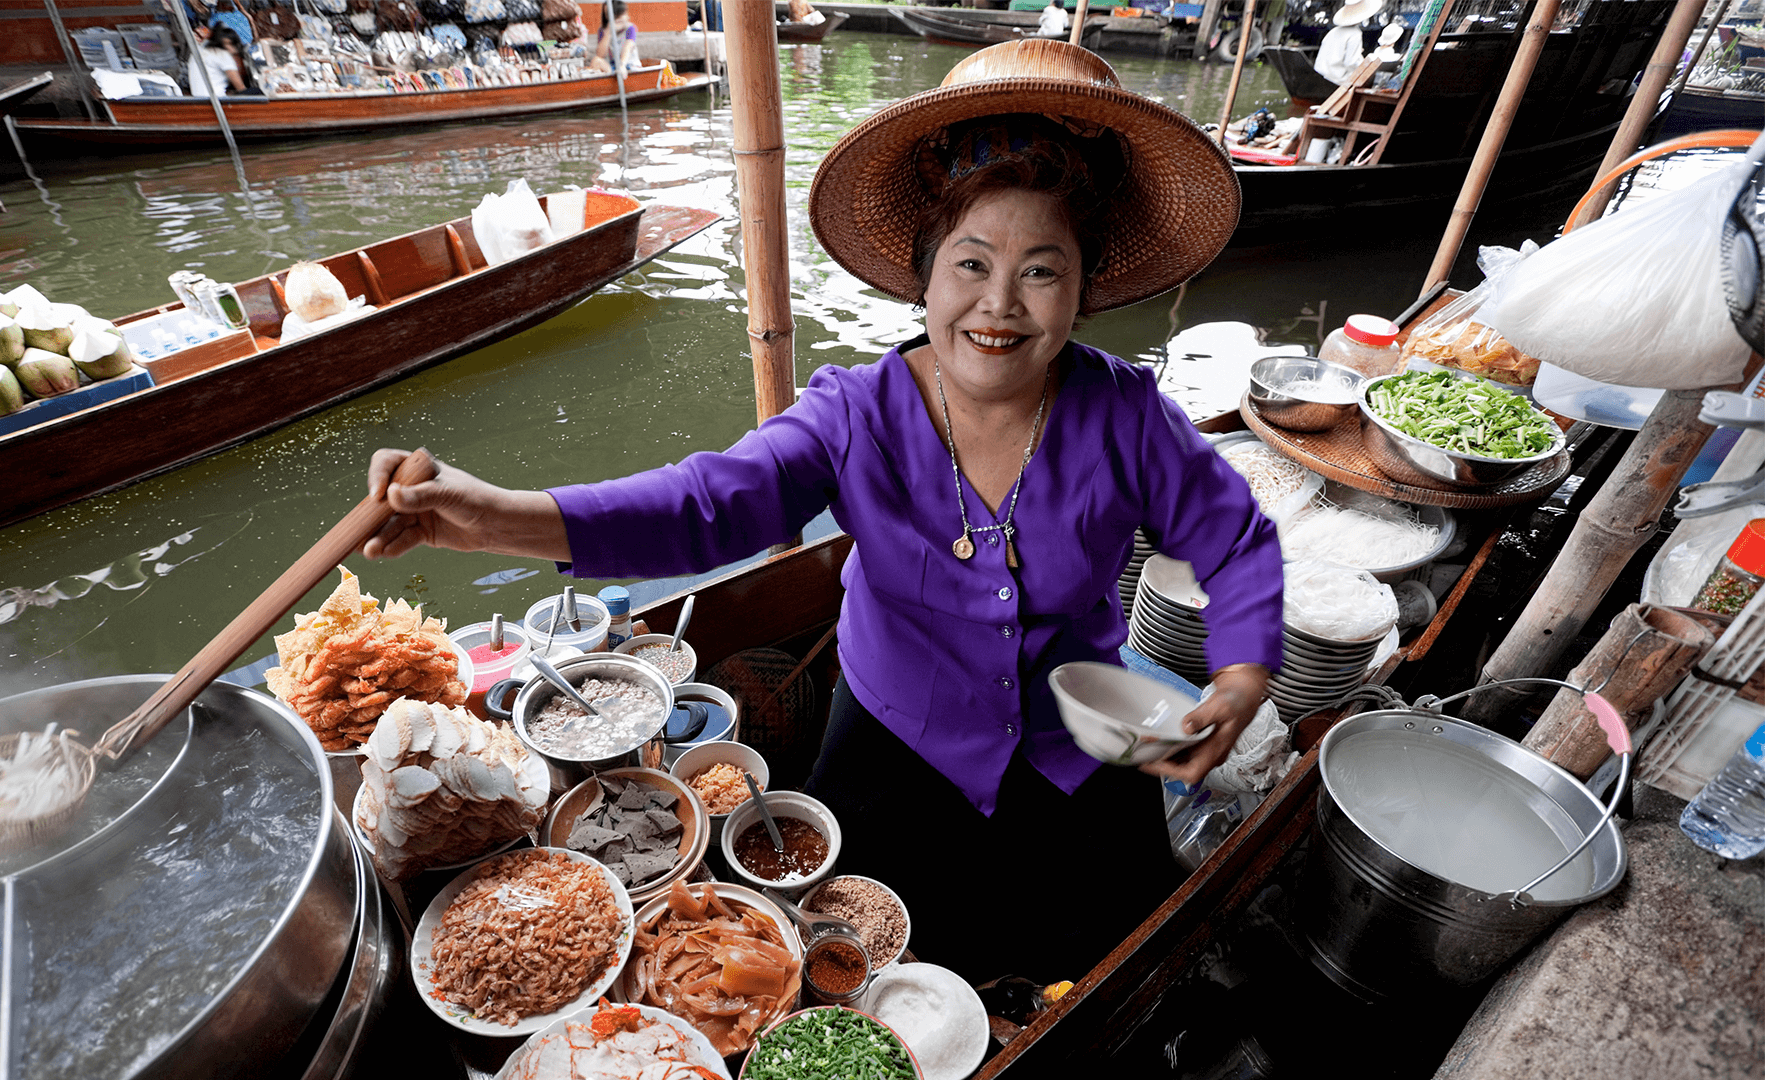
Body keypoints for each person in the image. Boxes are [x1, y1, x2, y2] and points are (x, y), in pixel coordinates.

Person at [361, 40, 1280, 984]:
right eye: (971, 263)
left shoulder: (1125, 412)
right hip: (897, 743)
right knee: (868, 970)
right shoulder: (856, 411)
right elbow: (704, 507)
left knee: (1102, 958)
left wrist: (1241, 680)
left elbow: (1238, 541)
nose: (999, 305)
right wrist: (492, 517)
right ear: (923, 277)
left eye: (1043, 270)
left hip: (1077, 745)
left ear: (1083, 287)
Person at [1313, 0, 1383, 85]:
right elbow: (1351, 63)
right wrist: (1367, 68)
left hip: (1319, 75)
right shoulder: (1355, 34)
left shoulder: (1334, 31)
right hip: (1336, 80)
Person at [193, 23, 256, 97]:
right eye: (227, 44)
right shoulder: (222, 54)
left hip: (199, 98)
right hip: (215, 101)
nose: (230, 48)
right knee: (256, 91)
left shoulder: (201, 52)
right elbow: (241, 88)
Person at [590, 1, 639, 73]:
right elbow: (600, 55)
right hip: (613, 66)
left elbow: (628, 47)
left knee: (622, 67)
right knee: (596, 61)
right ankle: (610, 81)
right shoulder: (603, 30)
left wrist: (622, 65)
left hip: (628, 64)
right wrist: (609, 32)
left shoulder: (630, 28)